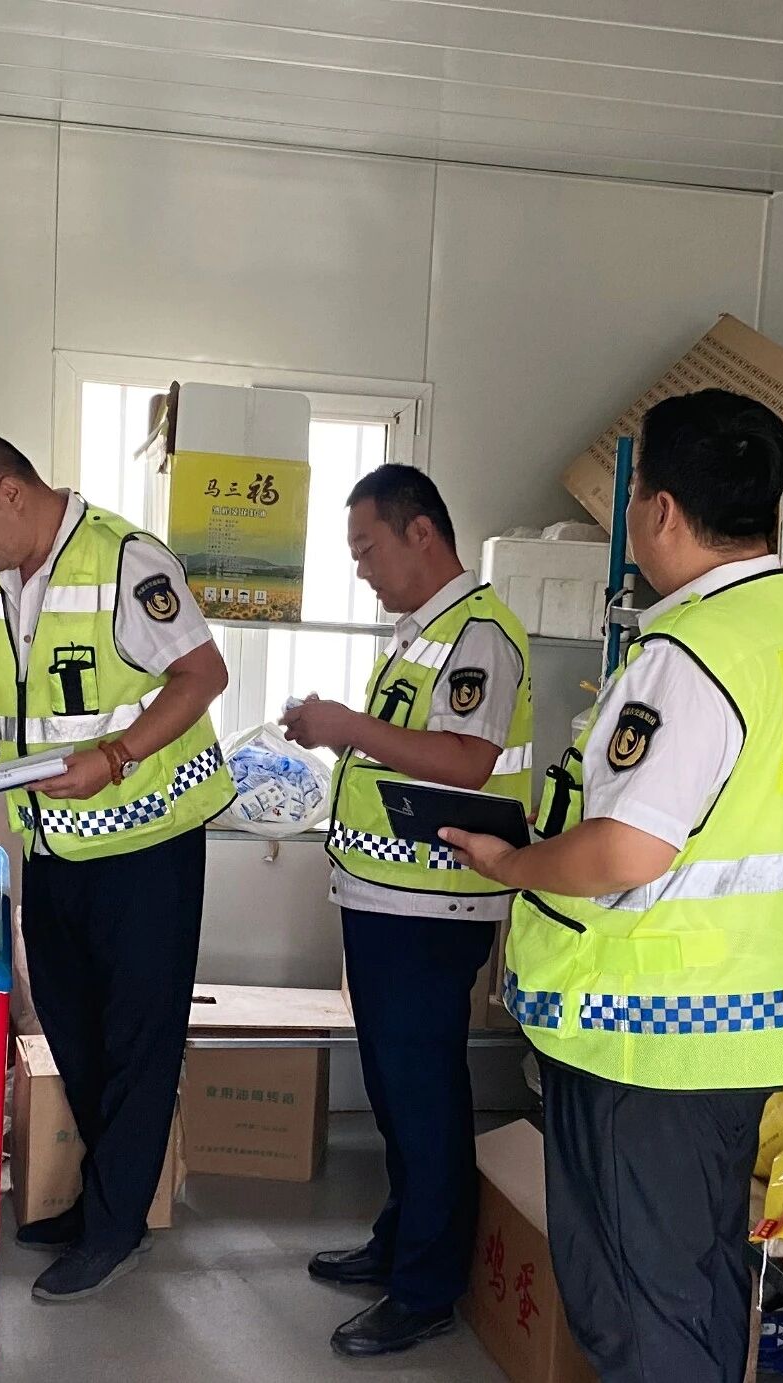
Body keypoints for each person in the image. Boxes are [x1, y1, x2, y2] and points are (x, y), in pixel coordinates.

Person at [443, 389, 783, 1383]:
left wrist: (512, 864)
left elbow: (626, 849)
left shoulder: (689, 654)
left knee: (636, 1307)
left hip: (644, 1039)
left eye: (633, 504)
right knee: (697, 1282)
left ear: (660, 510)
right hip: (732, 1028)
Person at [0, 427, 233, 1303]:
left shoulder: (126, 560)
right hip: (54, 844)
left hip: (145, 843)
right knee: (74, 1031)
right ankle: (106, 1200)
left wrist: (115, 757)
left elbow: (202, 674)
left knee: (137, 1040)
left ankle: (114, 1226)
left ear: (9, 490)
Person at [282, 464, 533, 1358]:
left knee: (423, 1096)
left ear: (420, 531)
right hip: (386, 896)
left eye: (367, 548)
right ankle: (398, 1241)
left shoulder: (479, 634)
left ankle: (426, 1287)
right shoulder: (421, 633)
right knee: (395, 1088)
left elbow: (466, 759)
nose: (361, 569)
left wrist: (345, 725)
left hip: (434, 908)